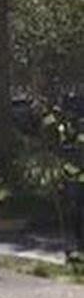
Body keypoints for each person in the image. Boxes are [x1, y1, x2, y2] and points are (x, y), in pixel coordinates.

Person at [46, 96, 84, 267]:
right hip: (73, 181)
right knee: (76, 216)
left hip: (76, 181)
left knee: (78, 216)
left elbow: (73, 155)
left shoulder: (75, 129)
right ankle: (79, 249)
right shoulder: (65, 127)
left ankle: (80, 249)